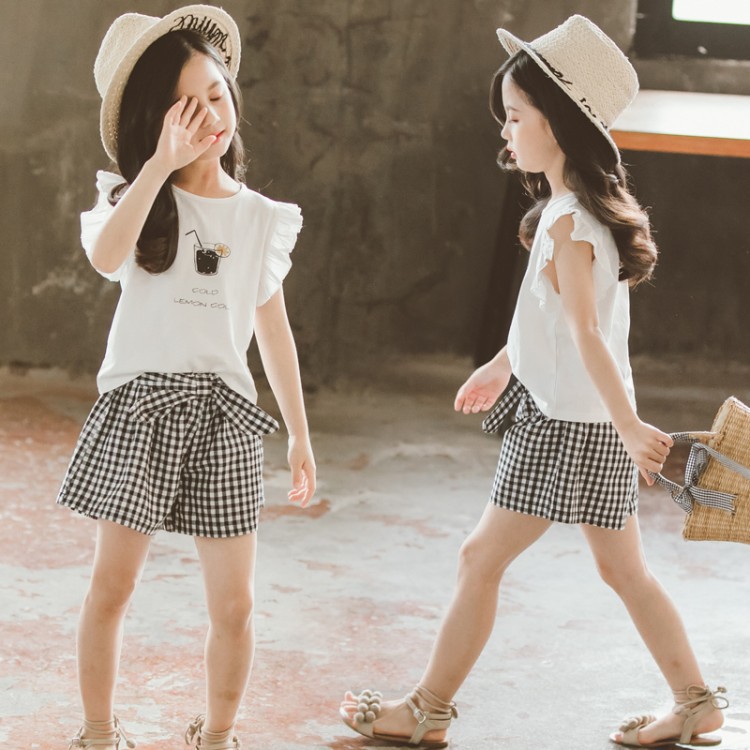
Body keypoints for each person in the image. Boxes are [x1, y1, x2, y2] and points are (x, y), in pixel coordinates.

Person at [340, 15, 728, 749]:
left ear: (560, 122)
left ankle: (426, 710)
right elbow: (548, 320)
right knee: (626, 573)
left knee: (479, 558)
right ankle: (696, 701)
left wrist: (628, 427)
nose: (506, 131)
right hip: (587, 421)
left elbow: (585, 335)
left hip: (564, 429)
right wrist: (502, 365)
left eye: (516, 116)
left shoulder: (567, 223)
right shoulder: (572, 213)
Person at [57, 6, 315, 749]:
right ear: (157, 120)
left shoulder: (261, 217)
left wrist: (299, 434)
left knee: (235, 605)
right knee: (113, 587)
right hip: (140, 409)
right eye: (187, 106)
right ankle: (98, 731)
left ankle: (219, 733)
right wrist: (158, 168)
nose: (211, 116)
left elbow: (273, 331)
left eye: (217, 95)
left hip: (225, 417)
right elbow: (106, 256)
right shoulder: (134, 196)